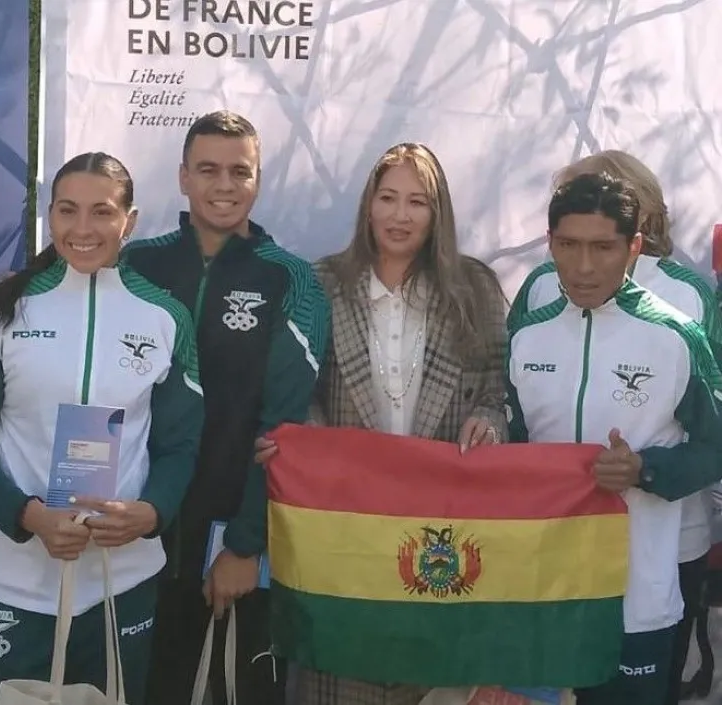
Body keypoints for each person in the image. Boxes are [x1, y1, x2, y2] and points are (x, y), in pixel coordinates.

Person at [0, 152, 204, 705]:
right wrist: (28, 515)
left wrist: (152, 512)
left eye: (102, 212)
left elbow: (180, 443)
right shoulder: (0, 308)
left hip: (120, 579)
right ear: (49, 216)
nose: (83, 229)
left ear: (129, 221)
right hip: (15, 577)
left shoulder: (165, 316)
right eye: (67, 211)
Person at [255, 142, 508, 705]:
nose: (399, 215)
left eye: (416, 202)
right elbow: (294, 391)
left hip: (442, 529)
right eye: (387, 198)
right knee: (339, 674)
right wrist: (313, 443)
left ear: (437, 213)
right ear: (367, 206)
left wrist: (490, 419)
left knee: (430, 675)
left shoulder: (475, 288)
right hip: (344, 526)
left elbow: (498, 385)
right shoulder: (317, 284)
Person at [121, 110, 330, 705]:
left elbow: (285, 432)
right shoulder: (136, 265)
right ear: (183, 177)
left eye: (240, 172)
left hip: (232, 546)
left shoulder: (292, 280)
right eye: (208, 169)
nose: (224, 185)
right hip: (134, 537)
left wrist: (245, 545)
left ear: (259, 182)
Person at [506, 150, 722, 705]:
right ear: (549, 242)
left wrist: (647, 469)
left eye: (602, 248)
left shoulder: (676, 335)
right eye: (568, 246)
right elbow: (505, 432)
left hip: (636, 596)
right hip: (539, 588)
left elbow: (717, 445)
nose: (582, 267)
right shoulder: (527, 333)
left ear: (633, 247)